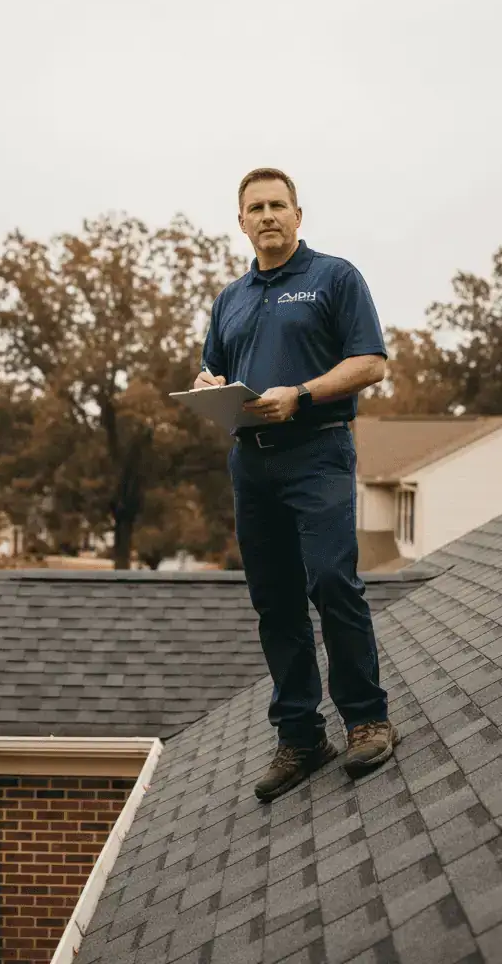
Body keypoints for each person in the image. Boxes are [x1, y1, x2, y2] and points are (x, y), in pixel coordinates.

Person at [195, 167, 398, 802]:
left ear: (298, 215)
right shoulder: (229, 298)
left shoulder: (334, 278)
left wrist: (302, 395)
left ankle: (366, 720)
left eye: (277, 205)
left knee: (332, 583)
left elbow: (371, 362)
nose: (267, 216)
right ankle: (302, 738)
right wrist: (206, 389)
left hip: (317, 451)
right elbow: (214, 371)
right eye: (255, 208)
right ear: (241, 222)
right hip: (250, 466)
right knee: (275, 601)